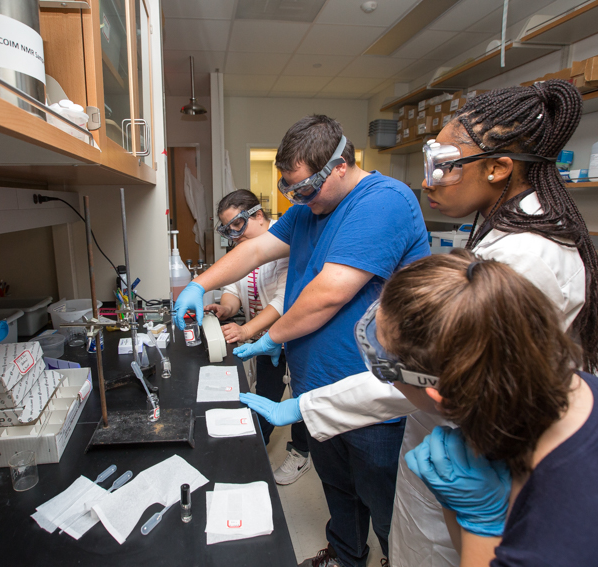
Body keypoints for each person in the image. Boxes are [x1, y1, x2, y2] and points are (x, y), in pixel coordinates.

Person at [240, 80, 598, 566]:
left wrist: (308, 407)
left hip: (487, 462)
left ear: (500, 167)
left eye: (444, 166)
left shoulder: (528, 257)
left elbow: (438, 376)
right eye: (429, 162)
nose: (428, 181)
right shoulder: (498, 231)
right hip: (450, 442)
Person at [174, 115, 430, 567]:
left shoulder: (383, 201)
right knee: (338, 490)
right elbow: (252, 251)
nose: (296, 199)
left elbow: (330, 293)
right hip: (317, 388)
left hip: (374, 394)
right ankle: (347, 556)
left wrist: (268, 335)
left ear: (339, 166)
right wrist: (200, 285)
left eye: (303, 188)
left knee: (385, 503)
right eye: (289, 190)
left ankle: (397, 560)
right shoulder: (309, 211)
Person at [368, 251, 598, 566]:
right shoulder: (570, 388)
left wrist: (480, 522)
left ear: (440, 394)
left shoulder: (564, 535)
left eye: (383, 363)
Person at [205, 189, 311, 485]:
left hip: (294, 337)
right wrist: (225, 308)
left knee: (302, 399)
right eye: (228, 230)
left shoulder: (284, 244)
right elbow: (235, 290)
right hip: (266, 344)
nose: (234, 235)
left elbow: (282, 301)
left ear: (258, 216)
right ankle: (252, 451)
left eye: (237, 226)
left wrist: (247, 330)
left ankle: (301, 453)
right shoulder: (242, 250)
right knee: (265, 396)